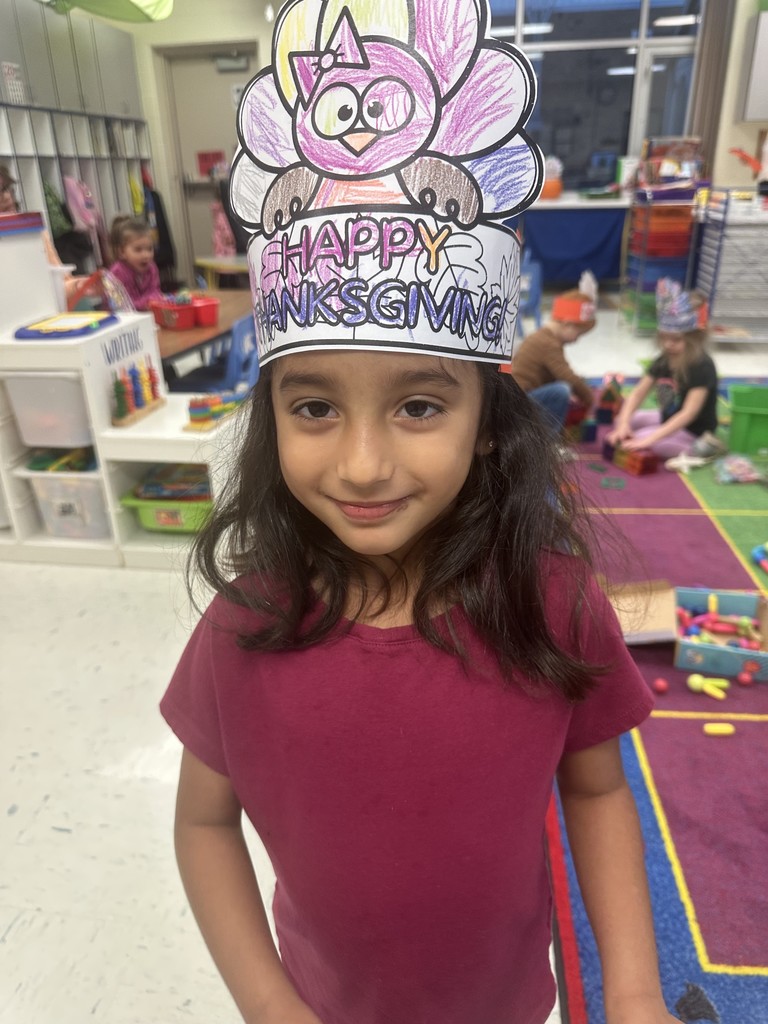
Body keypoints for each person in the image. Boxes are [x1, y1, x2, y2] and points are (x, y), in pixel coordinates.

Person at [160, 3, 679, 1023]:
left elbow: (597, 790)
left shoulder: (553, 601)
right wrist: (272, 1007)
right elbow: (203, 825)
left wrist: (633, 992)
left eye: (419, 406)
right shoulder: (244, 625)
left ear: (487, 421)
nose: (362, 466)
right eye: (315, 407)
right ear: (270, 416)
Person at [606, 279, 724, 463]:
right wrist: (623, 424)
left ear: (693, 339)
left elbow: (689, 413)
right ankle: (649, 434)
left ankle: (703, 447)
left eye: (676, 339)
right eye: (664, 338)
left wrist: (648, 439)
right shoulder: (664, 360)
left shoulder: (702, 365)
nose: (668, 344)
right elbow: (637, 394)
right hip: (667, 418)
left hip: (693, 430)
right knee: (622, 421)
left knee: (646, 442)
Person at [504, 270, 597, 432]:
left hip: (520, 398)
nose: (577, 340)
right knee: (561, 390)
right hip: (517, 406)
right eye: (578, 334)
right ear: (568, 324)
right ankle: (547, 440)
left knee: (566, 386)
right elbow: (567, 377)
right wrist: (590, 399)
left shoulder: (544, 337)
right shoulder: (547, 343)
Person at [1, 163, 82, 303]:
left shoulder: (34, 232)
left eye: (7, 188)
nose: (7, 196)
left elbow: (63, 280)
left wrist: (79, 285)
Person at [107, 215, 162, 311]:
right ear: (122, 252)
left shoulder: (151, 268)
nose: (146, 255)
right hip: (121, 317)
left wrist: (155, 300)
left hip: (146, 313)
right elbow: (121, 304)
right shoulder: (117, 272)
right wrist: (148, 302)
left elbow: (155, 291)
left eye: (149, 249)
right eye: (138, 250)